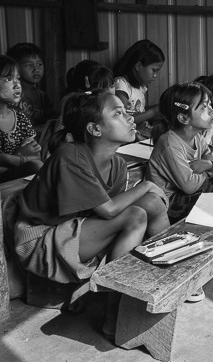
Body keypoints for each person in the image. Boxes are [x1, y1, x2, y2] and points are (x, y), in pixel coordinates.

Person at [13, 90, 169, 340]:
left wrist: (149, 194)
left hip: (74, 230)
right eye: (118, 113)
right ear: (95, 129)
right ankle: (113, 311)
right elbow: (108, 211)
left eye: (127, 111)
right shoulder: (69, 156)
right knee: (137, 215)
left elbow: (108, 214)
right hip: (40, 240)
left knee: (151, 204)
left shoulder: (117, 164)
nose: (130, 118)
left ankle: (169, 275)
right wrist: (147, 185)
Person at [146, 82, 213, 223]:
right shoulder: (170, 144)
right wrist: (211, 169)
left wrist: (208, 165)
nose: (211, 111)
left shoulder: (197, 137)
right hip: (168, 205)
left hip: (185, 194)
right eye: (204, 107)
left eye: (209, 105)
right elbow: (189, 185)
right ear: (184, 118)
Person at [38, 60, 115, 161]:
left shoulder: (109, 111)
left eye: (112, 86)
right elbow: (53, 154)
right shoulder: (71, 116)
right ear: (87, 92)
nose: (110, 91)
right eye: (104, 88)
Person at [0, 55, 43, 182]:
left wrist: (7, 159)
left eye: (17, 78)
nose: (17, 84)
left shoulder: (21, 118)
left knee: (38, 167)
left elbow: (36, 156)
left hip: (12, 176)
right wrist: (19, 156)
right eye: (8, 79)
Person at [113, 39, 165, 140]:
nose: (155, 75)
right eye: (154, 70)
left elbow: (139, 112)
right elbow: (122, 119)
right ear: (138, 66)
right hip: (128, 134)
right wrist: (153, 112)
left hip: (142, 130)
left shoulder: (141, 87)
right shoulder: (121, 84)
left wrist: (161, 108)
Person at [6, 42, 53, 128]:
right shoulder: (11, 97)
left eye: (39, 64)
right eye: (29, 65)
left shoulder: (42, 96)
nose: (36, 69)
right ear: (15, 68)